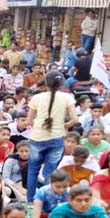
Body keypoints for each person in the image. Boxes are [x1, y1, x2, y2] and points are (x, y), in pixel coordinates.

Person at [26, 71, 78, 203]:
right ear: (61, 83)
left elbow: (28, 121)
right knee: (50, 171)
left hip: (37, 137)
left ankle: (31, 201)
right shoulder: (67, 97)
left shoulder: (36, 98)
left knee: (32, 170)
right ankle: (47, 201)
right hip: (57, 137)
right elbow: (75, 120)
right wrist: (63, 126)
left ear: (46, 83)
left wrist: (37, 126)